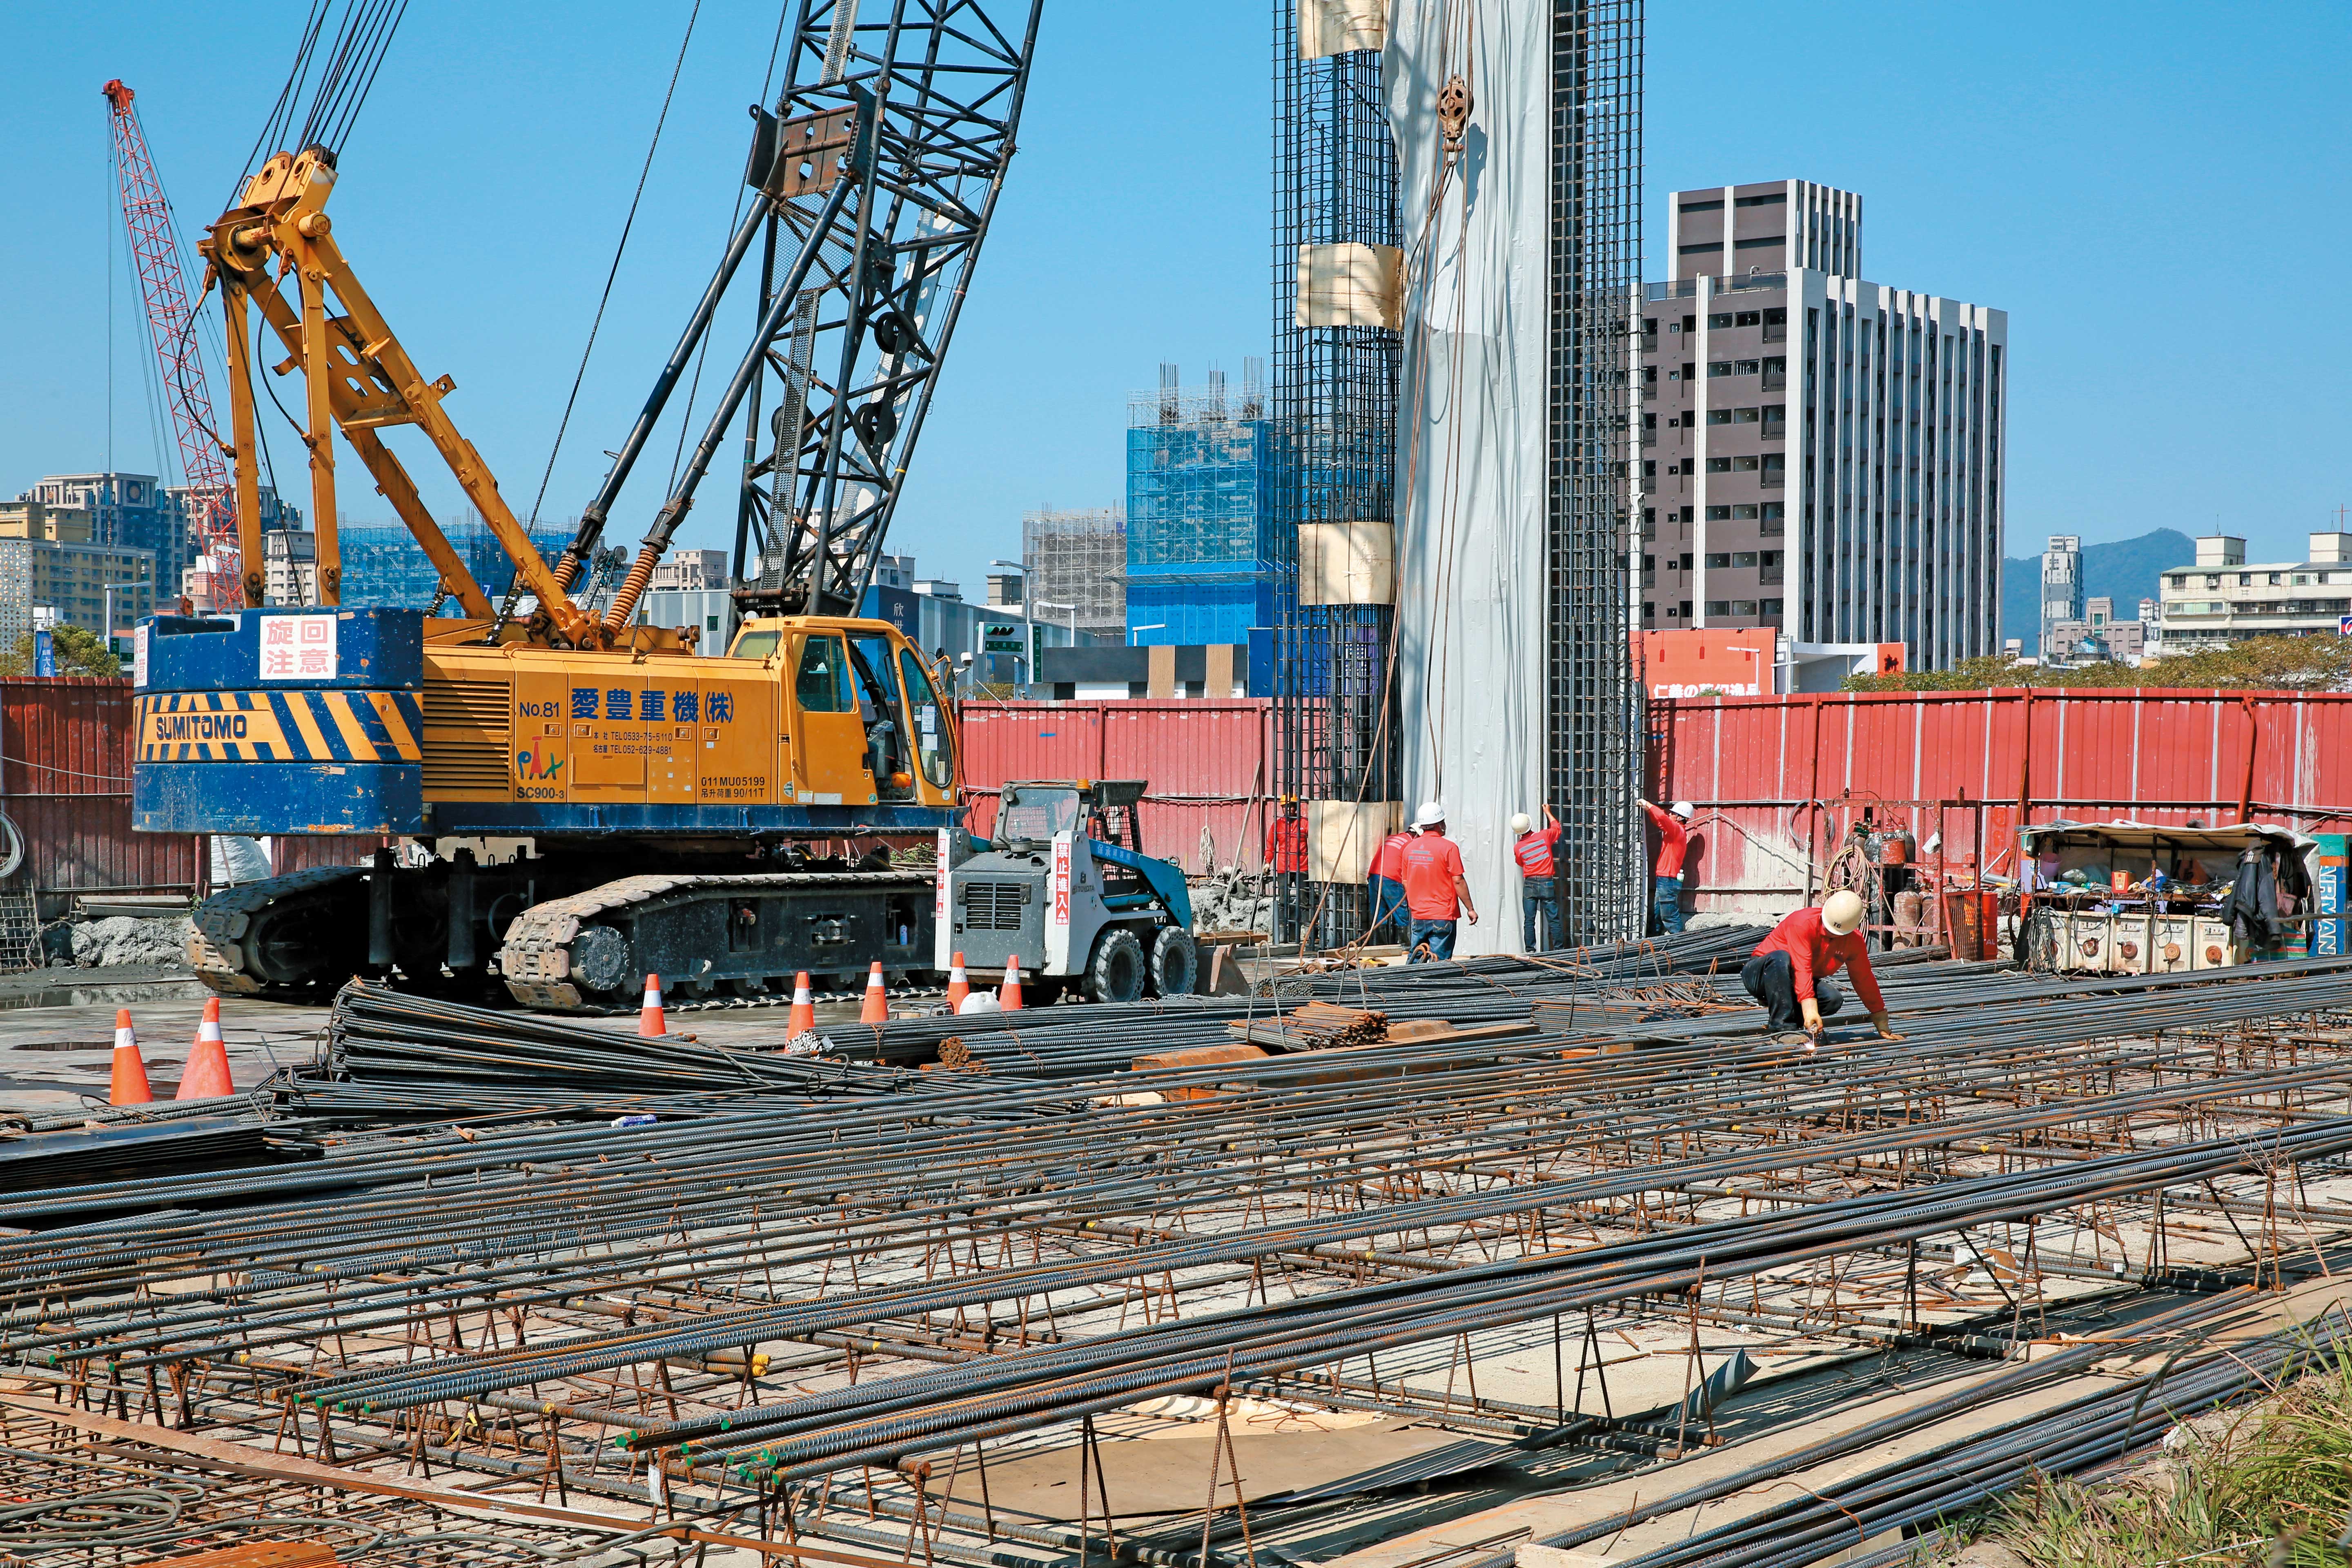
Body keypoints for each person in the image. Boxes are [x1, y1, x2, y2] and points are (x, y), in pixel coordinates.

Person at [1741, 890, 1902, 1047]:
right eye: (1826, 928)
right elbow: (1802, 968)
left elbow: (1864, 979)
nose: (1827, 932)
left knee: (1833, 999)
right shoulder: (1802, 923)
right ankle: (1782, 1029)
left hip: (1793, 981)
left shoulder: (1854, 942)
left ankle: (1795, 1024)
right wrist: (1810, 1009)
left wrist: (1880, 1017)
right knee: (1781, 958)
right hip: (1761, 973)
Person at [1400, 802, 1477, 962]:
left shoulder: (1410, 849)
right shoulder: (1449, 848)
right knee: (1440, 963)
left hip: (1418, 915)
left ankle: (1407, 985)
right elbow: (1458, 881)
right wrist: (1470, 908)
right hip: (1442, 915)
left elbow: (1406, 882)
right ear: (1439, 824)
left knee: (1416, 956)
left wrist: (1416, 904)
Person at [1638, 797, 1695, 935]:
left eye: (1673, 814)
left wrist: (1648, 804)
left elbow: (1662, 818)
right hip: (1664, 880)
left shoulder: (1677, 831)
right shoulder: (1674, 831)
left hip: (1667, 881)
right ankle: (1653, 942)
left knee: (1669, 917)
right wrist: (1648, 811)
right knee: (1658, 915)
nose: (1670, 815)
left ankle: (1680, 945)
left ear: (1680, 818)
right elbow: (1659, 821)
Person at [1510, 807, 1564, 952]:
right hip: (1547, 882)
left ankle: (1530, 951)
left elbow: (1520, 863)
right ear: (1529, 824)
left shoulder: (1518, 848)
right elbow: (1557, 828)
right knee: (1553, 919)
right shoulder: (1544, 836)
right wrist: (1548, 812)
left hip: (1530, 884)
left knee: (1529, 920)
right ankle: (1559, 950)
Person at [1366, 817, 1416, 943]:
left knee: (1379, 912)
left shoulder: (1392, 838)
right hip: (1391, 878)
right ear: (1416, 835)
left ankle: (1382, 946)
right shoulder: (1411, 844)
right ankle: (1405, 945)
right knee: (1400, 912)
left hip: (1374, 875)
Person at [1266, 795, 1308, 939]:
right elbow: (1271, 846)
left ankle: (1306, 934)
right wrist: (1267, 862)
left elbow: (1316, 841)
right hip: (1284, 868)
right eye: (1287, 807)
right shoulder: (1278, 826)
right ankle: (1283, 935)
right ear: (1282, 808)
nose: (1290, 809)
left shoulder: (1305, 823)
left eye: (1293, 806)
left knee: (1305, 900)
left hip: (1302, 867)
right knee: (1283, 901)